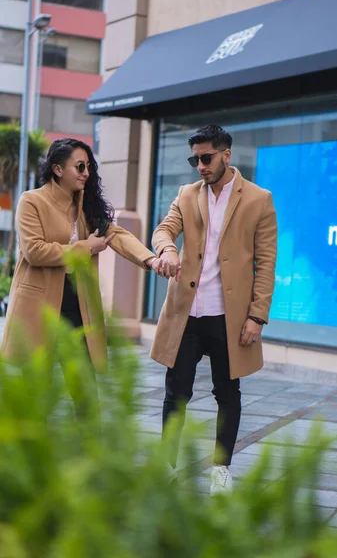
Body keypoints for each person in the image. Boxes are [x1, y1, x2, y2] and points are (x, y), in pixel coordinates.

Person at [150, 124, 277, 495]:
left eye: (206, 158)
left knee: (228, 393)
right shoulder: (187, 194)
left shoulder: (258, 199)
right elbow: (164, 229)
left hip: (229, 316)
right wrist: (167, 249)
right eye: (195, 159)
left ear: (226, 154)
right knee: (176, 393)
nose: (200, 166)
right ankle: (167, 465)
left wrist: (257, 316)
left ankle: (220, 471)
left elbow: (266, 263)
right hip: (186, 312)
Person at [1, 138, 163, 417]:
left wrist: (151, 259)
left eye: (88, 166)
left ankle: (90, 452)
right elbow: (34, 251)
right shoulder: (32, 201)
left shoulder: (87, 207)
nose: (86, 172)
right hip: (39, 308)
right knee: (34, 390)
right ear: (57, 169)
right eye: (79, 166)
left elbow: (118, 236)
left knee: (85, 391)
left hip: (79, 307)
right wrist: (86, 247)